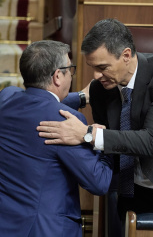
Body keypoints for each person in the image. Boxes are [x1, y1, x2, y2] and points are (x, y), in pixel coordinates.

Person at [37, 19, 153, 236]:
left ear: (126, 55)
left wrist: (88, 134)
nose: (96, 77)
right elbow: (111, 145)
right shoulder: (101, 89)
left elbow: (151, 141)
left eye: (102, 67)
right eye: (92, 68)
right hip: (134, 195)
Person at [0, 40, 113, 237]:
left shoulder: (6, 98)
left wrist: (80, 97)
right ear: (57, 76)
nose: (72, 74)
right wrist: (101, 138)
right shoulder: (66, 121)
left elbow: (32, 99)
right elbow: (99, 182)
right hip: (47, 230)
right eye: (70, 69)